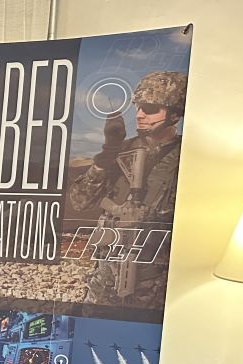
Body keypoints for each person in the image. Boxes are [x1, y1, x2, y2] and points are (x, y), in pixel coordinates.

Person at [69, 70, 187, 306]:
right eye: (138, 107)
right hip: (104, 280)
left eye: (150, 109)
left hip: (154, 286)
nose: (140, 115)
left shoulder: (185, 156)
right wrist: (107, 154)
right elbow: (80, 201)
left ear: (175, 114)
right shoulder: (120, 151)